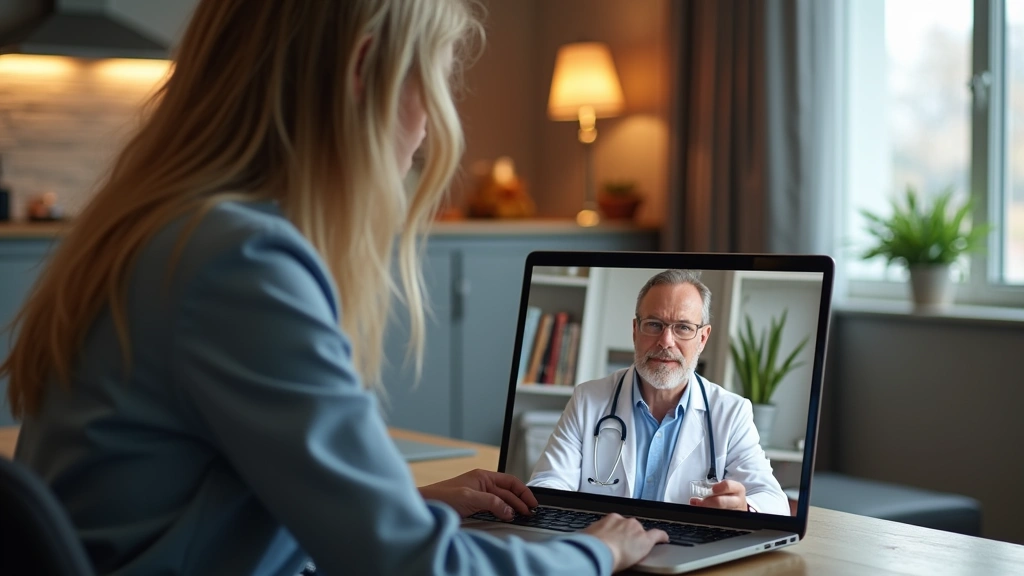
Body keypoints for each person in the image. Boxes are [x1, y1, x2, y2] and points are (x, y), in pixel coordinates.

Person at [0, 1, 668, 574]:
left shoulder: (163, 229)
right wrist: (596, 552)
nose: (430, 128)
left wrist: (408, 508)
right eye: (431, 81)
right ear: (362, 70)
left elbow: (220, 503)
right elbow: (415, 567)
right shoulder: (239, 261)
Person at [528, 270, 790, 515]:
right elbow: (548, 483)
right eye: (654, 324)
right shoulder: (588, 399)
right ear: (635, 330)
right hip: (603, 545)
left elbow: (774, 501)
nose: (666, 341)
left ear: (703, 339)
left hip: (689, 554)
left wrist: (744, 507)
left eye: (683, 327)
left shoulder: (731, 413)